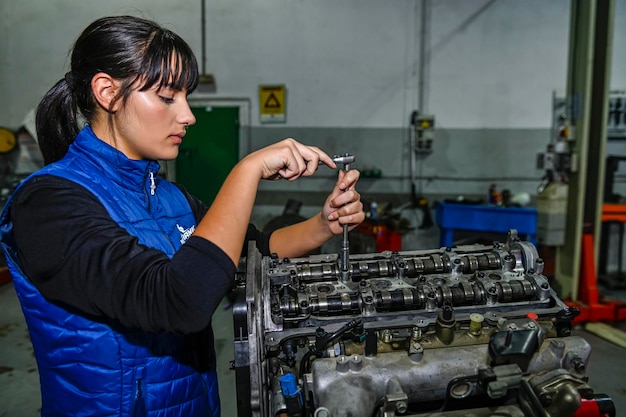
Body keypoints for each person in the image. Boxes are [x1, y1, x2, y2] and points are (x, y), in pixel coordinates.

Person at [0, 15, 364, 417]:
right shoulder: (48, 203)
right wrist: (247, 171)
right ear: (107, 92)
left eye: (185, 97)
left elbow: (254, 253)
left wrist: (324, 224)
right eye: (168, 97)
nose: (188, 115)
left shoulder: (171, 197)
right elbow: (178, 301)